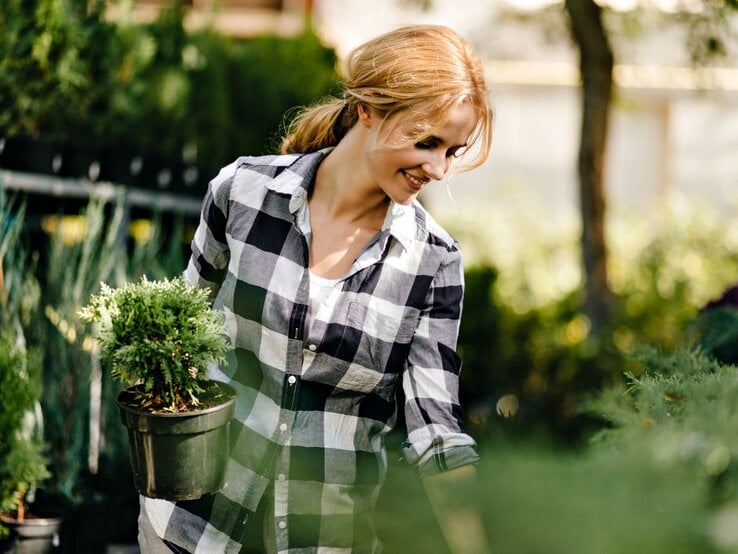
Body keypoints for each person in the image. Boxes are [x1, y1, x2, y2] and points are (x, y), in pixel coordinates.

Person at [138, 24, 494, 554]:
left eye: (453, 150)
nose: (439, 169)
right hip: (190, 530)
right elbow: (180, 336)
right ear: (368, 108)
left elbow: (434, 430)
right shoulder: (243, 193)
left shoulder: (433, 263)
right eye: (427, 142)